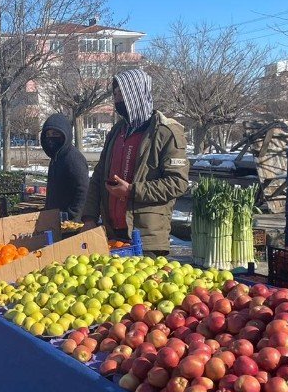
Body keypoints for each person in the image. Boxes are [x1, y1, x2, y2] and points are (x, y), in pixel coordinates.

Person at [82, 68, 189, 257]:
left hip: (146, 239)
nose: (116, 100)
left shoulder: (165, 132)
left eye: (121, 93)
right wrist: (89, 217)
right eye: (114, 94)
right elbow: (98, 177)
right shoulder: (117, 132)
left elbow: (177, 183)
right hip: (113, 233)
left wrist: (132, 191)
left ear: (136, 93)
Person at [40, 113, 89, 221]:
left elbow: (83, 189)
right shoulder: (55, 159)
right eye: (48, 134)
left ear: (65, 135)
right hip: (55, 220)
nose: (51, 138)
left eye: (55, 133)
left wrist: (72, 215)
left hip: (70, 224)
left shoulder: (73, 158)